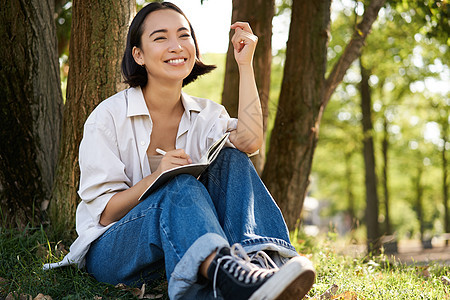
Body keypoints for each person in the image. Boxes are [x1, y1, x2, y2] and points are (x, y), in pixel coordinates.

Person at [44, 2, 315, 299]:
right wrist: (159, 177)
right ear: (139, 55)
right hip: (115, 251)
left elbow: (250, 142)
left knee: (231, 158)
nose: (176, 46)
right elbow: (106, 215)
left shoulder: (206, 114)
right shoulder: (108, 117)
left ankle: (260, 265)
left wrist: (245, 63)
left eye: (184, 36)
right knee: (180, 184)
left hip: (181, 247)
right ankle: (230, 278)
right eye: (160, 38)